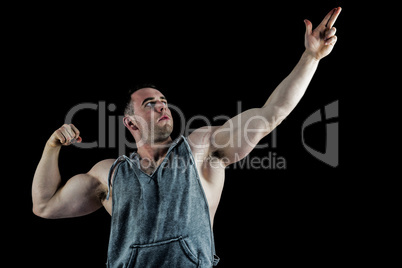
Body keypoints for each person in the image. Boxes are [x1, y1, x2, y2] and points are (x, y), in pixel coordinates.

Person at [32, 7, 342, 268]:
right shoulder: (109, 174)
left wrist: (311, 57)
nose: (162, 105)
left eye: (164, 101)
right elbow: (44, 205)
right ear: (131, 122)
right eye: (150, 104)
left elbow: (271, 112)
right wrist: (51, 147)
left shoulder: (200, 148)